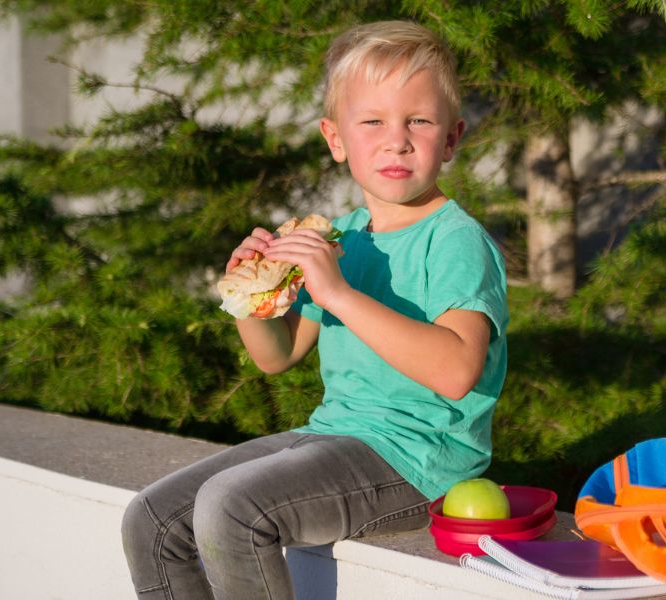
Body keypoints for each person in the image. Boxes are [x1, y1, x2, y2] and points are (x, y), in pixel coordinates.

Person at [121, 20, 508, 600]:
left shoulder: (454, 240)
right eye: (372, 121)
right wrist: (250, 296)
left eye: (418, 121)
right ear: (336, 138)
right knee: (151, 520)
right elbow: (278, 356)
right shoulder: (341, 237)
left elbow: (456, 372)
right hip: (333, 436)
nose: (396, 140)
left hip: (420, 465)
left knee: (233, 508)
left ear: (451, 139)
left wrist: (339, 294)